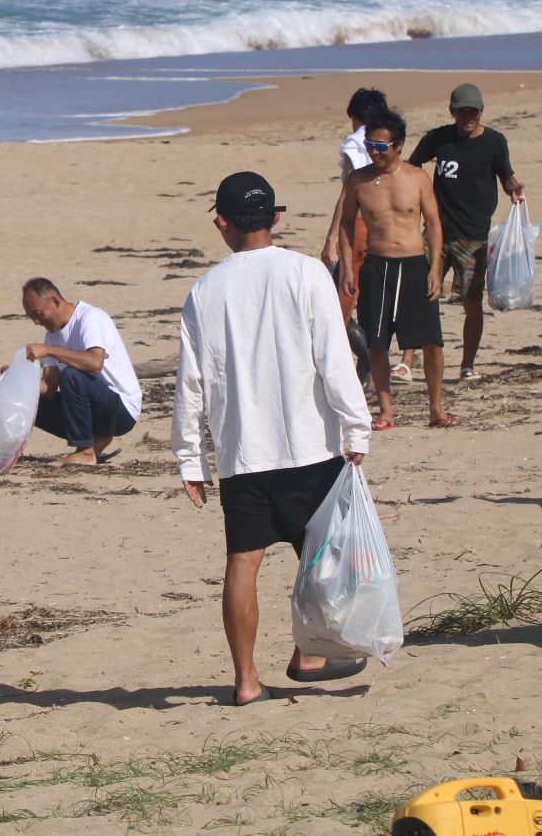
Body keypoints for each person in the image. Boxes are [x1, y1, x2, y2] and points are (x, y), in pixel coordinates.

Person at [173, 171, 375, 706]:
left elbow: (190, 384)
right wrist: (356, 426)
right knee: (323, 553)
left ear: (222, 222)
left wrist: (191, 459)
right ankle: (311, 652)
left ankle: (245, 681)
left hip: (244, 453)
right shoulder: (307, 273)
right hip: (312, 444)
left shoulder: (205, 291)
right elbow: (336, 359)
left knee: (244, 560)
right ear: (277, 219)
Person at [337, 109, 452, 429]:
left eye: (381, 145)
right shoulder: (359, 181)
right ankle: (386, 412)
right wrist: (347, 268)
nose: (374, 151)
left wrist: (435, 268)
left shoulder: (417, 178)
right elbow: (346, 226)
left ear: (398, 145)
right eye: (370, 145)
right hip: (377, 266)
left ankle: (436, 408)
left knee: (432, 341)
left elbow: (434, 223)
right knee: (377, 342)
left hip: (415, 265)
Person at [407, 83, 525, 381]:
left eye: (473, 111)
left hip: (473, 237)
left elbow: (506, 176)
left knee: (471, 302)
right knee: (418, 294)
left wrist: (516, 191)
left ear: (481, 111)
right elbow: (412, 165)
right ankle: (407, 360)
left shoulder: (495, 142)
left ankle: (467, 364)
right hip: (436, 231)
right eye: (462, 112)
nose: (467, 117)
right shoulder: (438, 138)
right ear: (452, 112)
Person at [21, 278, 142, 468]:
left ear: (54, 300)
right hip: (95, 411)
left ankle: (85, 452)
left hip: (122, 410)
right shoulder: (51, 335)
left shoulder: (90, 317)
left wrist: (50, 351)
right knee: (28, 402)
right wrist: (16, 381)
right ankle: (97, 438)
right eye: (32, 318)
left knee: (72, 375)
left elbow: (94, 363)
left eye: (38, 314)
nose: (37, 322)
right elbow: (49, 388)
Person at [322, 87, 389, 325]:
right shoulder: (388, 141)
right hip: (384, 226)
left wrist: (331, 239)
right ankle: (369, 361)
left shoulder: (355, 142)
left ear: (355, 116)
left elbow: (347, 194)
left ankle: (366, 362)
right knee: (373, 301)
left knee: (340, 304)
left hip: (358, 226)